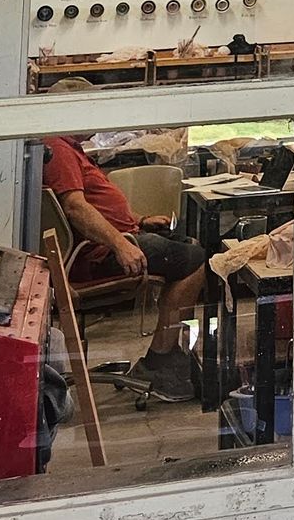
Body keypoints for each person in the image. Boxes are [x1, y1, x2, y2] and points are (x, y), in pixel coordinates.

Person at [43, 137, 209, 402]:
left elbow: (98, 205)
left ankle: (171, 349)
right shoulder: (59, 150)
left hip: (111, 242)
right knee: (196, 259)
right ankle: (159, 360)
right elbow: (75, 208)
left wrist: (139, 220)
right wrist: (120, 245)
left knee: (189, 245)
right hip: (97, 254)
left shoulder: (69, 148)